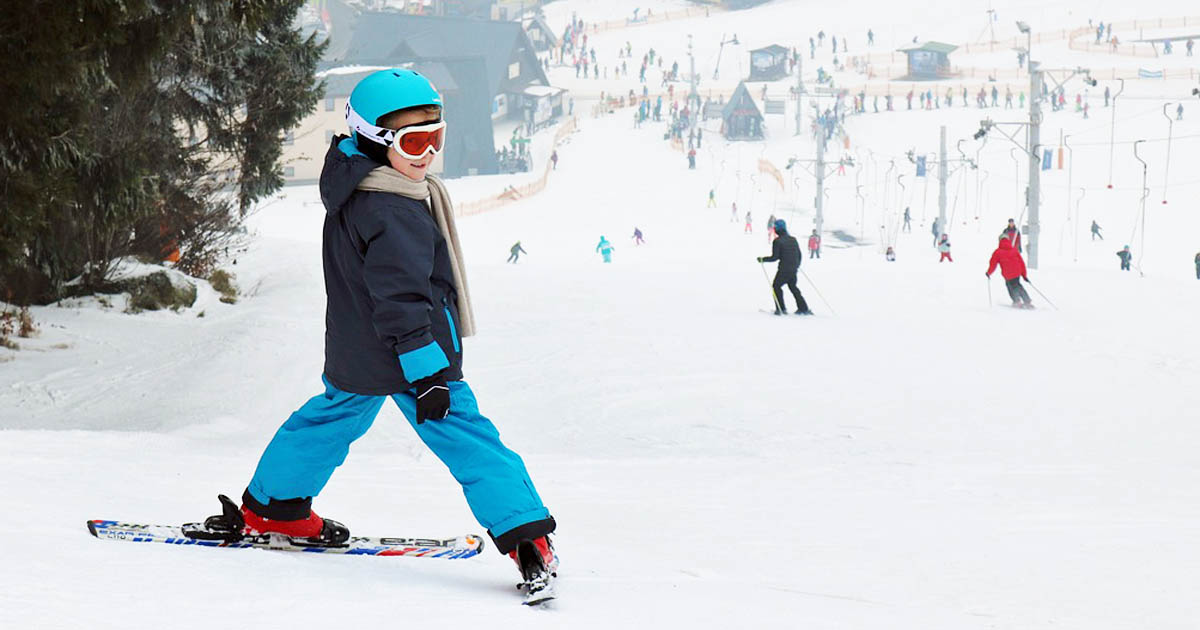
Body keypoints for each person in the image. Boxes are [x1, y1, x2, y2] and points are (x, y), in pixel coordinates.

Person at [209, 69, 558, 592]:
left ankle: (274, 508)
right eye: (413, 142)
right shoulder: (393, 208)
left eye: (435, 137)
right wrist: (428, 374)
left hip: (358, 348)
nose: (427, 154)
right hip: (410, 353)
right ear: (374, 138)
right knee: (470, 439)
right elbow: (401, 300)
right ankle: (526, 535)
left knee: (326, 422)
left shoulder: (356, 180)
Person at [757, 219, 812, 315]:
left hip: (784, 269)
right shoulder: (793, 239)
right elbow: (799, 255)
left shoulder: (777, 241)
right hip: (793, 268)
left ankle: (781, 308)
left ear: (777, 229)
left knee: (776, 286)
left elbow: (775, 257)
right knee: (793, 287)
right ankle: (803, 308)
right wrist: (796, 266)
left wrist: (762, 259)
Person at [987, 236, 1033, 308]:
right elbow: (1021, 263)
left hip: (1008, 274)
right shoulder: (1014, 250)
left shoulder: (997, 252)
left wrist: (988, 273)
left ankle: (1016, 301)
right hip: (1017, 272)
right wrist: (1024, 275)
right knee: (1017, 285)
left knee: (1011, 287)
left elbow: (993, 264)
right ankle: (1027, 301)